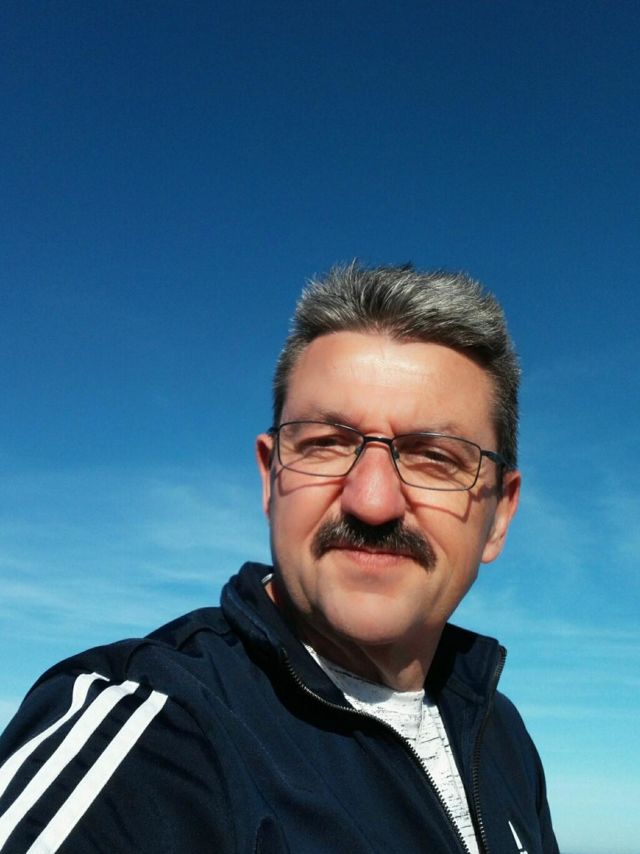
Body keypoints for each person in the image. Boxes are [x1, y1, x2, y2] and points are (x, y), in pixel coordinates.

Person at [0, 263, 559, 853]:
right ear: (270, 479)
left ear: (500, 514)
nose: (372, 502)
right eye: (326, 444)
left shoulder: (499, 733)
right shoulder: (155, 735)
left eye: (435, 457)